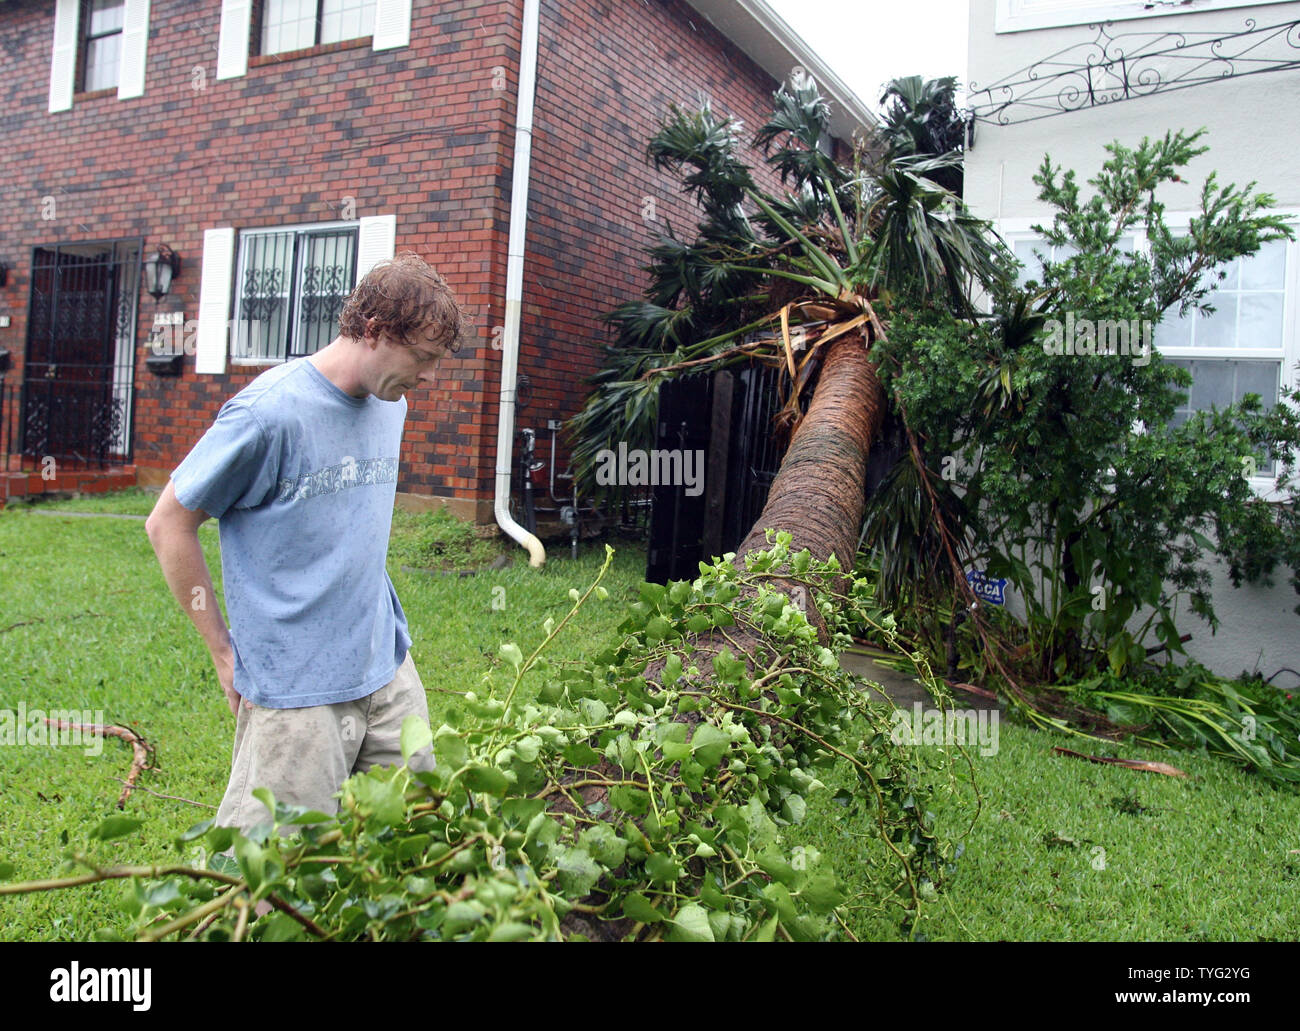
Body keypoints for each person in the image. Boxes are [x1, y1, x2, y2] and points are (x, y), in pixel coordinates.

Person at [145, 252, 470, 836]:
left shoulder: (389, 406)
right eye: (421, 358)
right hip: (298, 692)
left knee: (414, 840)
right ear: (373, 332)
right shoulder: (268, 414)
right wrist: (221, 649)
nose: (425, 376)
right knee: (278, 876)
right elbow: (168, 523)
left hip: (386, 668)